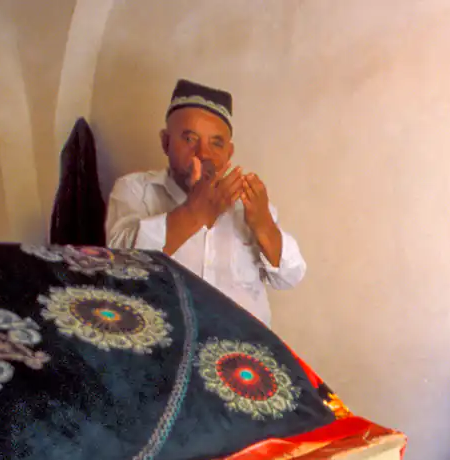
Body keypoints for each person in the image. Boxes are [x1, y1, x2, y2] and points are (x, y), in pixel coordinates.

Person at [105, 79, 306, 327]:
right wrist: (196, 212)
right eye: (189, 139)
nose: (204, 153)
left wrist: (263, 225)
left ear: (229, 153)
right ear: (166, 142)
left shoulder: (247, 203)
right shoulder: (136, 190)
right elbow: (119, 263)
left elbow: (290, 277)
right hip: (165, 349)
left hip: (242, 353)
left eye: (216, 143)